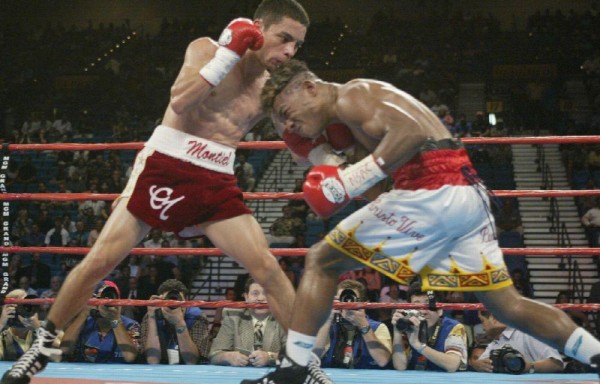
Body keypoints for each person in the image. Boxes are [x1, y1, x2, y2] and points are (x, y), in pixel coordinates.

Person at [1, 1, 309, 382]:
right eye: (285, 39)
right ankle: (41, 349)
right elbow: (181, 100)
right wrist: (229, 53)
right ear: (258, 28)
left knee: (268, 268)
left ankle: (302, 365)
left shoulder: (270, 87)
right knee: (99, 261)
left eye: (297, 45)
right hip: (168, 164)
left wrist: (319, 130)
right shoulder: (207, 49)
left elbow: (298, 142)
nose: (290, 51)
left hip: (215, 178)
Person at [242, 59, 600, 383]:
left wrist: (348, 181)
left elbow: (412, 134)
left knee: (321, 259)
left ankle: (293, 371)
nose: (288, 125)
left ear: (309, 87)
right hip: (463, 194)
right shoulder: (351, 123)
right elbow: (381, 190)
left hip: (434, 190)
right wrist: (330, 163)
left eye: (287, 112)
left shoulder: (354, 94)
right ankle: (593, 354)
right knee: (507, 306)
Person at [314, 279, 391, 369]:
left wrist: (363, 325)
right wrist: (328, 319)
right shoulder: (327, 327)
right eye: (342, 299)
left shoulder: (378, 328)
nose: (347, 303)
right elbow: (313, 357)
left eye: (351, 298)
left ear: (363, 303)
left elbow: (383, 360)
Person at [209, 278, 286, 367]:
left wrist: (270, 357)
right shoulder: (233, 317)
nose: (261, 298)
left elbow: (295, 355)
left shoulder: (284, 319)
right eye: (255, 294)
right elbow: (214, 354)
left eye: (266, 294)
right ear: (246, 297)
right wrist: (228, 356)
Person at [391, 283, 467, 372]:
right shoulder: (408, 325)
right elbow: (400, 366)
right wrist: (397, 331)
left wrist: (417, 344)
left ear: (440, 310)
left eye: (428, 304)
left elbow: (452, 365)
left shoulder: (454, 327)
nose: (423, 311)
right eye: (417, 306)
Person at [59, 281, 141, 364]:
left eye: (111, 299)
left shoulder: (131, 325)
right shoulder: (84, 323)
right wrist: (83, 314)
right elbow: (64, 350)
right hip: (85, 374)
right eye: (102, 299)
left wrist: (114, 319)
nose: (106, 302)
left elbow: (130, 357)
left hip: (117, 375)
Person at [141, 279, 210, 364]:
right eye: (169, 299)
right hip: (160, 369)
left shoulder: (197, 317)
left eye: (177, 299)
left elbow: (191, 361)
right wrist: (152, 318)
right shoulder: (152, 314)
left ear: (186, 302)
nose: (173, 303)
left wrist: (179, 322)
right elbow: (152, 360)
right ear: (160, 300)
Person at [470, 311, 564, 374]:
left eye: (482, 321)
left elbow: (557, 364)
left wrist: (527, 367)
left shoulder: (528, 333)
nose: (483, 327)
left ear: (494, 319)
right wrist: (476, 364)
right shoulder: (495, 342)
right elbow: (480, 363)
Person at [0, 290, 43, 361]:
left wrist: (38, 329)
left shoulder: (43, 327)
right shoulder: (3, 338)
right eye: (22, 306)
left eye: (27, 305)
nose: (26, 309)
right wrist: (1, 323)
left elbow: (60, 353)